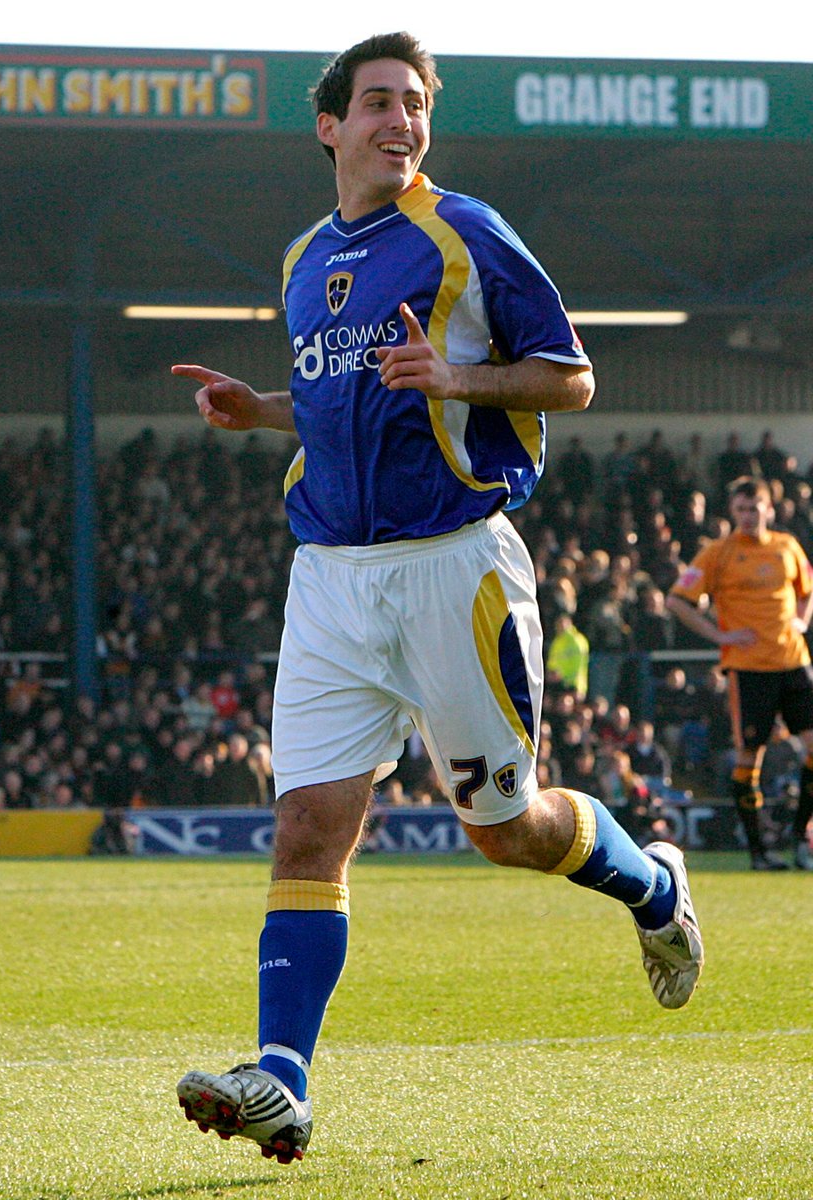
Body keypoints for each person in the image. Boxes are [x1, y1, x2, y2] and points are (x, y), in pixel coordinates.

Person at [171, 32, 703, 1164]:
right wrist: (255, 409)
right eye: (376, 103)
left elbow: (572, 376)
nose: (399, 121)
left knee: (507, 832)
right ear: (329, 126)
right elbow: (336, 403)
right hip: (328, 576)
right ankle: (282, 1078)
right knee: (309, 828)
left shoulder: (467, 230)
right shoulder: (303, 258)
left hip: (452, 566)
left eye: (414, 104)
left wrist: (457, 375)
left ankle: (654, 886)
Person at [667, 476, 813, 870]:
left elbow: (807, 589)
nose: (749, 516)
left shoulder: (787, 547)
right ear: (733, 511)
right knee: (751, 756)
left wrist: (802, 620)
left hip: (794, 660)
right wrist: (719, 634)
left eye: (756, 508)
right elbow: (678, 600)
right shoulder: (719, 553)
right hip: (749, 670)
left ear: (770, 508)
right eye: (742, 509)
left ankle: (800, 839)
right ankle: (759, 852)